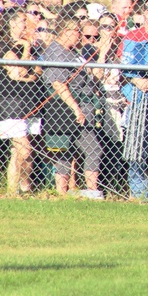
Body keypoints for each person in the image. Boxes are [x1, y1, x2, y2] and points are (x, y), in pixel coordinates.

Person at [39, 19, 106, 198]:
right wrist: (76, 109)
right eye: (77, 31)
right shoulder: (57, 52)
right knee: (91, 149)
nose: (79, 35)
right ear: (66, 32)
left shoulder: (72, 52)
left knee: (68, 151)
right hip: (66, 108)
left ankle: (65, 193)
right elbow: (58, 83)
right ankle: (89, 192)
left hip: (82, 106)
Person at [0, 8, 42, 196]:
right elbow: (18, 73)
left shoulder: (30, 44)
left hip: (27, 102)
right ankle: (19, 189)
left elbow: (35, 73)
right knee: (23, 149)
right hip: (8, 103)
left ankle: (17, 191)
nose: (27, 26)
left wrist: (27, 68)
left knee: (23, 153)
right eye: (23, 22)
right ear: (12, 23)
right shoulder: (0, 45)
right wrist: (26, 50)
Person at [119, 3, 148, 199]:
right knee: (137, 152)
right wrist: (137, 80)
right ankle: (139, 195)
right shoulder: (132, 36)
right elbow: (124, 65)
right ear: (142, 13)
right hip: (137, 100)